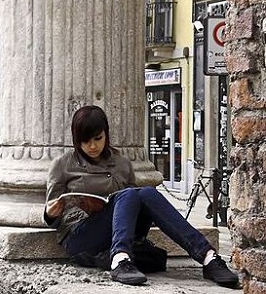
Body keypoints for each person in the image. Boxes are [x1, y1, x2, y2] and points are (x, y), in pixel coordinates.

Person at [44, 105, 239, 287]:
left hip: (119, 233)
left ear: (106, 135)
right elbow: (52, 218)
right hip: (81, 235)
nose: (92, 146)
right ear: (76, 140)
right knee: (129, 194)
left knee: (146, 192)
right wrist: (52, 212)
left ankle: (208, 257)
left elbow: (133, 205)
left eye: (97, 138)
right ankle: (120, 259)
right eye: (85, 141)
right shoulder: (63, 165)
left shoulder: (122, 163)